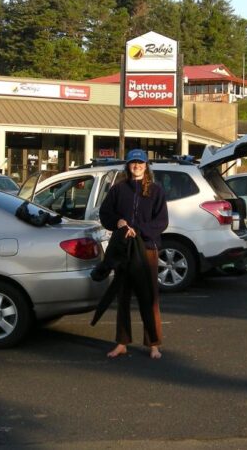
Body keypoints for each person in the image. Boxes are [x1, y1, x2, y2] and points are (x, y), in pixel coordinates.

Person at [98, 149, 169, 359]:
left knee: (149, 298)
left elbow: (161, 221)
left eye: (140, 162)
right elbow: (105, 214)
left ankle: (154, 344)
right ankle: (122, 342)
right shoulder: (118, 190)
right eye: (132, 162)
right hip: (124, 249)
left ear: (146, 165)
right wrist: (118, 222)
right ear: (127, 166)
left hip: (146, 249)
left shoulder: (156, 191)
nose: (136, 166)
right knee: (123, 296)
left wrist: (138, 230)